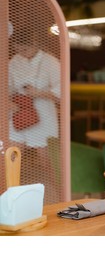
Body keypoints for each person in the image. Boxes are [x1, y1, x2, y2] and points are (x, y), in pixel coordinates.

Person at [8, 29, 61, 203]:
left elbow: (61, 92)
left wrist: (37, 93)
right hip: (18, 115)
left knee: (48, 162)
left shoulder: (50, 62)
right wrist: (10, 103)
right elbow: (6, 88)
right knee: (10, 156)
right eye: (17, 50)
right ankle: (9, 196)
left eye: (24, 50)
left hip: (44, 117)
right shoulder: (14, 62)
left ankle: (60, 197)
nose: (21, 53)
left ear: (35, 45)